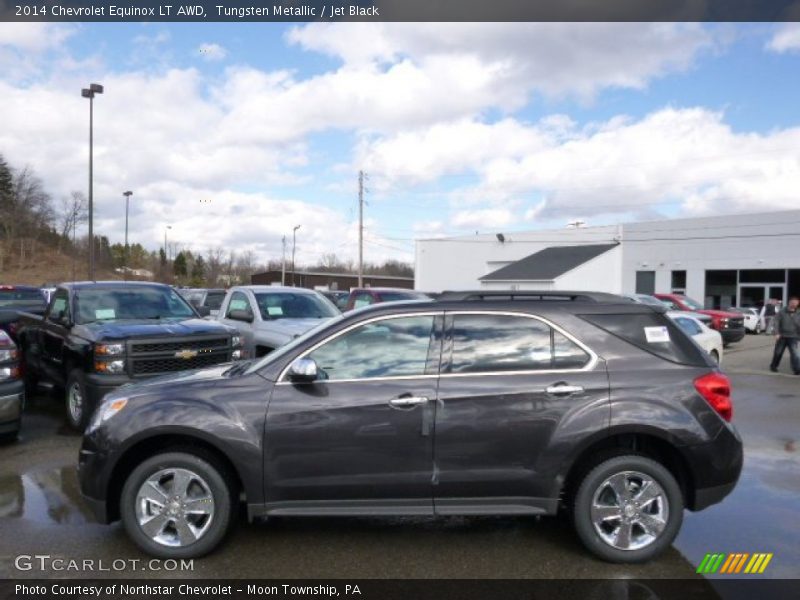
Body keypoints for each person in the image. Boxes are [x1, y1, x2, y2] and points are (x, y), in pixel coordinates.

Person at [769, 296, 800, 374]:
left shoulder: (798, 313)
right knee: (778, 353)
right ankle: (773, 366)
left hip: (793, 337)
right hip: (782, 336)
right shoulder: (782, 312)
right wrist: (776, 333)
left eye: (796, 303)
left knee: (795, 354)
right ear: (789, 302)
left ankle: (796, 370)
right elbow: (776, 322)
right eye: (793, 302)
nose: (794, 304)